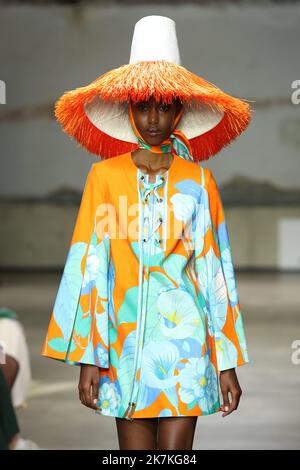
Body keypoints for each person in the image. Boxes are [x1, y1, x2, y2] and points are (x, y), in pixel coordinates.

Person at [41, 15, 252, 450]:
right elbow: (90, 268)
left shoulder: (199, 180)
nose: (154, 117)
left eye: (164, 105)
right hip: (121, 349)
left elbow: (216, 274)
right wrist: (88, 358)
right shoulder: (103, 177)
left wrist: (226, 361)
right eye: (143, 105)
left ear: (180, 110)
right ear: (128, 110)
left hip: (188, 349)